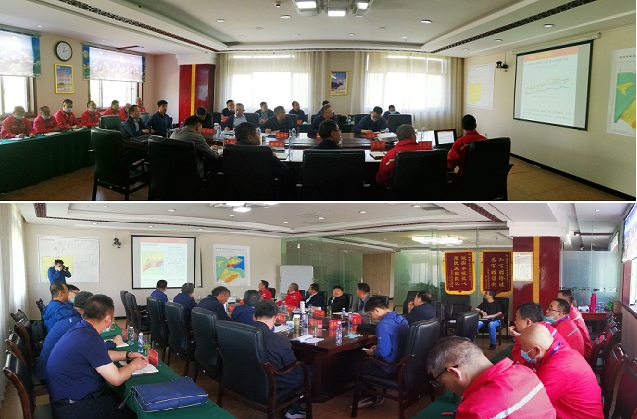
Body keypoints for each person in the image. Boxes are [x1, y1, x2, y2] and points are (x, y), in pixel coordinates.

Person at [46, 294, 148, 419]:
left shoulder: (80, 328)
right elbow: (116, 379)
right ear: (108, 319)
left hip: (64, 398)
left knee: (117, 398)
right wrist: (134, 365)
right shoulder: (89, 338)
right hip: (75, 407)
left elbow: (101, 355)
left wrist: (128, 354)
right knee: (132, 413)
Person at [427, 336, 556, 419]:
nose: (445, 386)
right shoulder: (525, 372)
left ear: (454, 372)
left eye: (440, 381)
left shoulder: (474, 410)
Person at [519, 324, 603, 419]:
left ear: (536, 351)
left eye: (523, 349)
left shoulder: (557, 368)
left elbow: (531, 404)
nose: (522, 353)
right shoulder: (560, 350)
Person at [254, 300, 307, 419]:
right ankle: (293, 409)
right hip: (270, 381)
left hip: (249, 376)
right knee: (308, 370)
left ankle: (292, 407)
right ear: (275, 317)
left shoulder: (242, 332)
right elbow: (291, 363)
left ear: (254, 317)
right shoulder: (279, 340)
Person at [357, 296, 409, 408]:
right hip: (402, 363)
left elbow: (383, 353)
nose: (372, 317)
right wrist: (379, 347)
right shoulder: (401, 318)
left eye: (371, 314)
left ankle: (371, 396)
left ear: (376, 310)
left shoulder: (383, 325)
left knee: (358, 365)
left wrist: (372, 352)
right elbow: (394, 341)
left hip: (389, 367)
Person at [36, 291, 100, 381]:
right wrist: (111, 344)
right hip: (52, 375)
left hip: (47, 368)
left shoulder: (70, 316)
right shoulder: (76, 323)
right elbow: (90, 349)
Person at [509, 302, 571, 368]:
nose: (515, 322)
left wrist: (519, 337)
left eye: (516, 318)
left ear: (528, 322)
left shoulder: (534, 337)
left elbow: (519, 362)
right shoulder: (543, 327)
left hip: (553, 369)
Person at [170, 115, 219, 180]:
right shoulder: (197, 137)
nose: (201, 130)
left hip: (174, 173)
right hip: (192, 175)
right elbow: (213, 156)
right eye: (201, 127)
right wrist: (215, 150)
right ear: (197, 127)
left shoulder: (174, 133)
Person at [557, 289, 592, 359]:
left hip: (583, 353)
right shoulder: (573, 309)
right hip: (584, 348)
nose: (557, 303)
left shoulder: (570, 316)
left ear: (568, 301)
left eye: (560, 300)